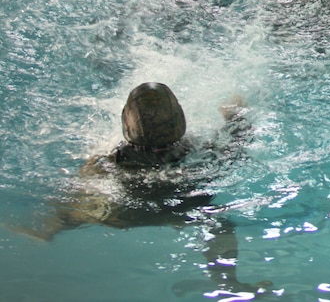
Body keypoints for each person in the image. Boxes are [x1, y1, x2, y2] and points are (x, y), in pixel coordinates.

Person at [21, 82, 268, 295]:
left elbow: (78, 187)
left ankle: (51, 229)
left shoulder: (108, 159)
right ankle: (228, 281)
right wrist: (236, 117)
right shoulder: (201, 152)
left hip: (124, 215)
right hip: (184, 208)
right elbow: (235, 145)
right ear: (180, 118)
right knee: (219, 223)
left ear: (126, 124)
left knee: (74, 207)